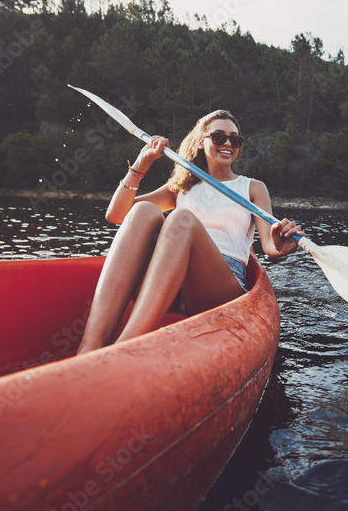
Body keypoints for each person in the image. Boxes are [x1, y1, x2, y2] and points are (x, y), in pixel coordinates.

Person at [76, 109, 303, 354]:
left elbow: (269, 247)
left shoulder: (251, 188)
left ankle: (123, 349)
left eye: (234, 140)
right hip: (169, 284)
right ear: (200, 141)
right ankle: (89, 348)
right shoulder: (181, 187)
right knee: (143, 211)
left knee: (181, 219)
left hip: (218, 288)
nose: (227, 143)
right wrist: (143, 163)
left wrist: (280, 245)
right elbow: (117, 215)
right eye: (218, 137)